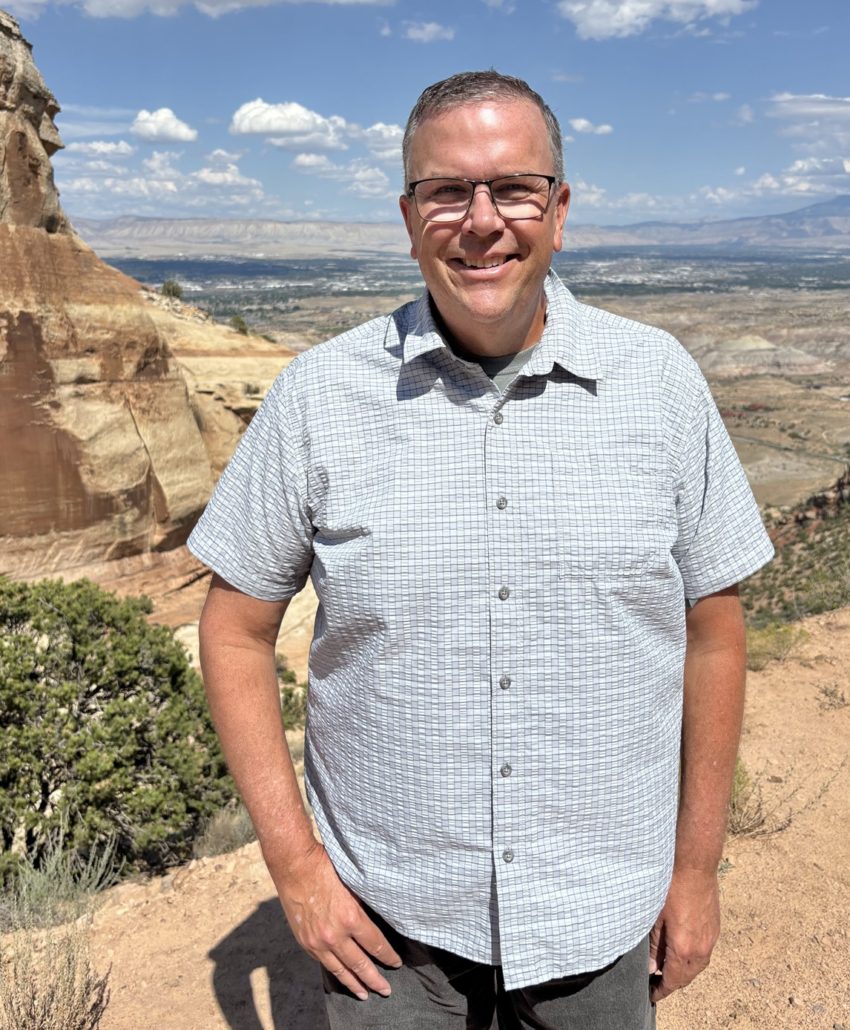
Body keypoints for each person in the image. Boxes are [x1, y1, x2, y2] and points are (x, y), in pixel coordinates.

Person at [188, 70, 774, 1029]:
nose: (482, 219)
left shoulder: (660, 384)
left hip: (599, 911)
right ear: (409, 211)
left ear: (561, 207)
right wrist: (296, 870)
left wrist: (696, 869)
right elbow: (236, 629)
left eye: (513, 188)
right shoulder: (318, 396)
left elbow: (713, 628)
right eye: (448, 190)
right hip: (391, 924)